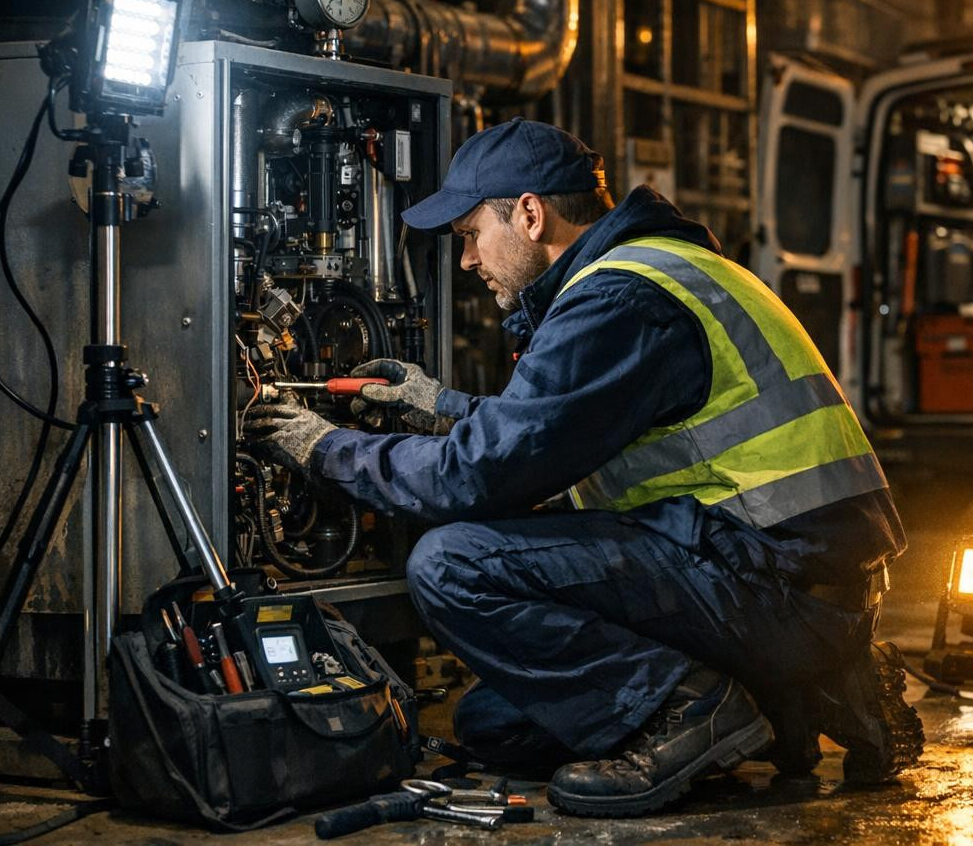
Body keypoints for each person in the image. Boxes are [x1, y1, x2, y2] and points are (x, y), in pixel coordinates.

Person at [245, 118, 919, 818]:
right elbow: (564, 423)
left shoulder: (618, 299)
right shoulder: (660, 269)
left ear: (530, 214)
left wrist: (325, 448)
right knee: (496, 724)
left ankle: (697, 708)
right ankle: (797, 693)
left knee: (452, 564)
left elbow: (474, 478)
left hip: (773, 582)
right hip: (790, 575)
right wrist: (437, 405)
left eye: (472, 234)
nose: (470, 260)